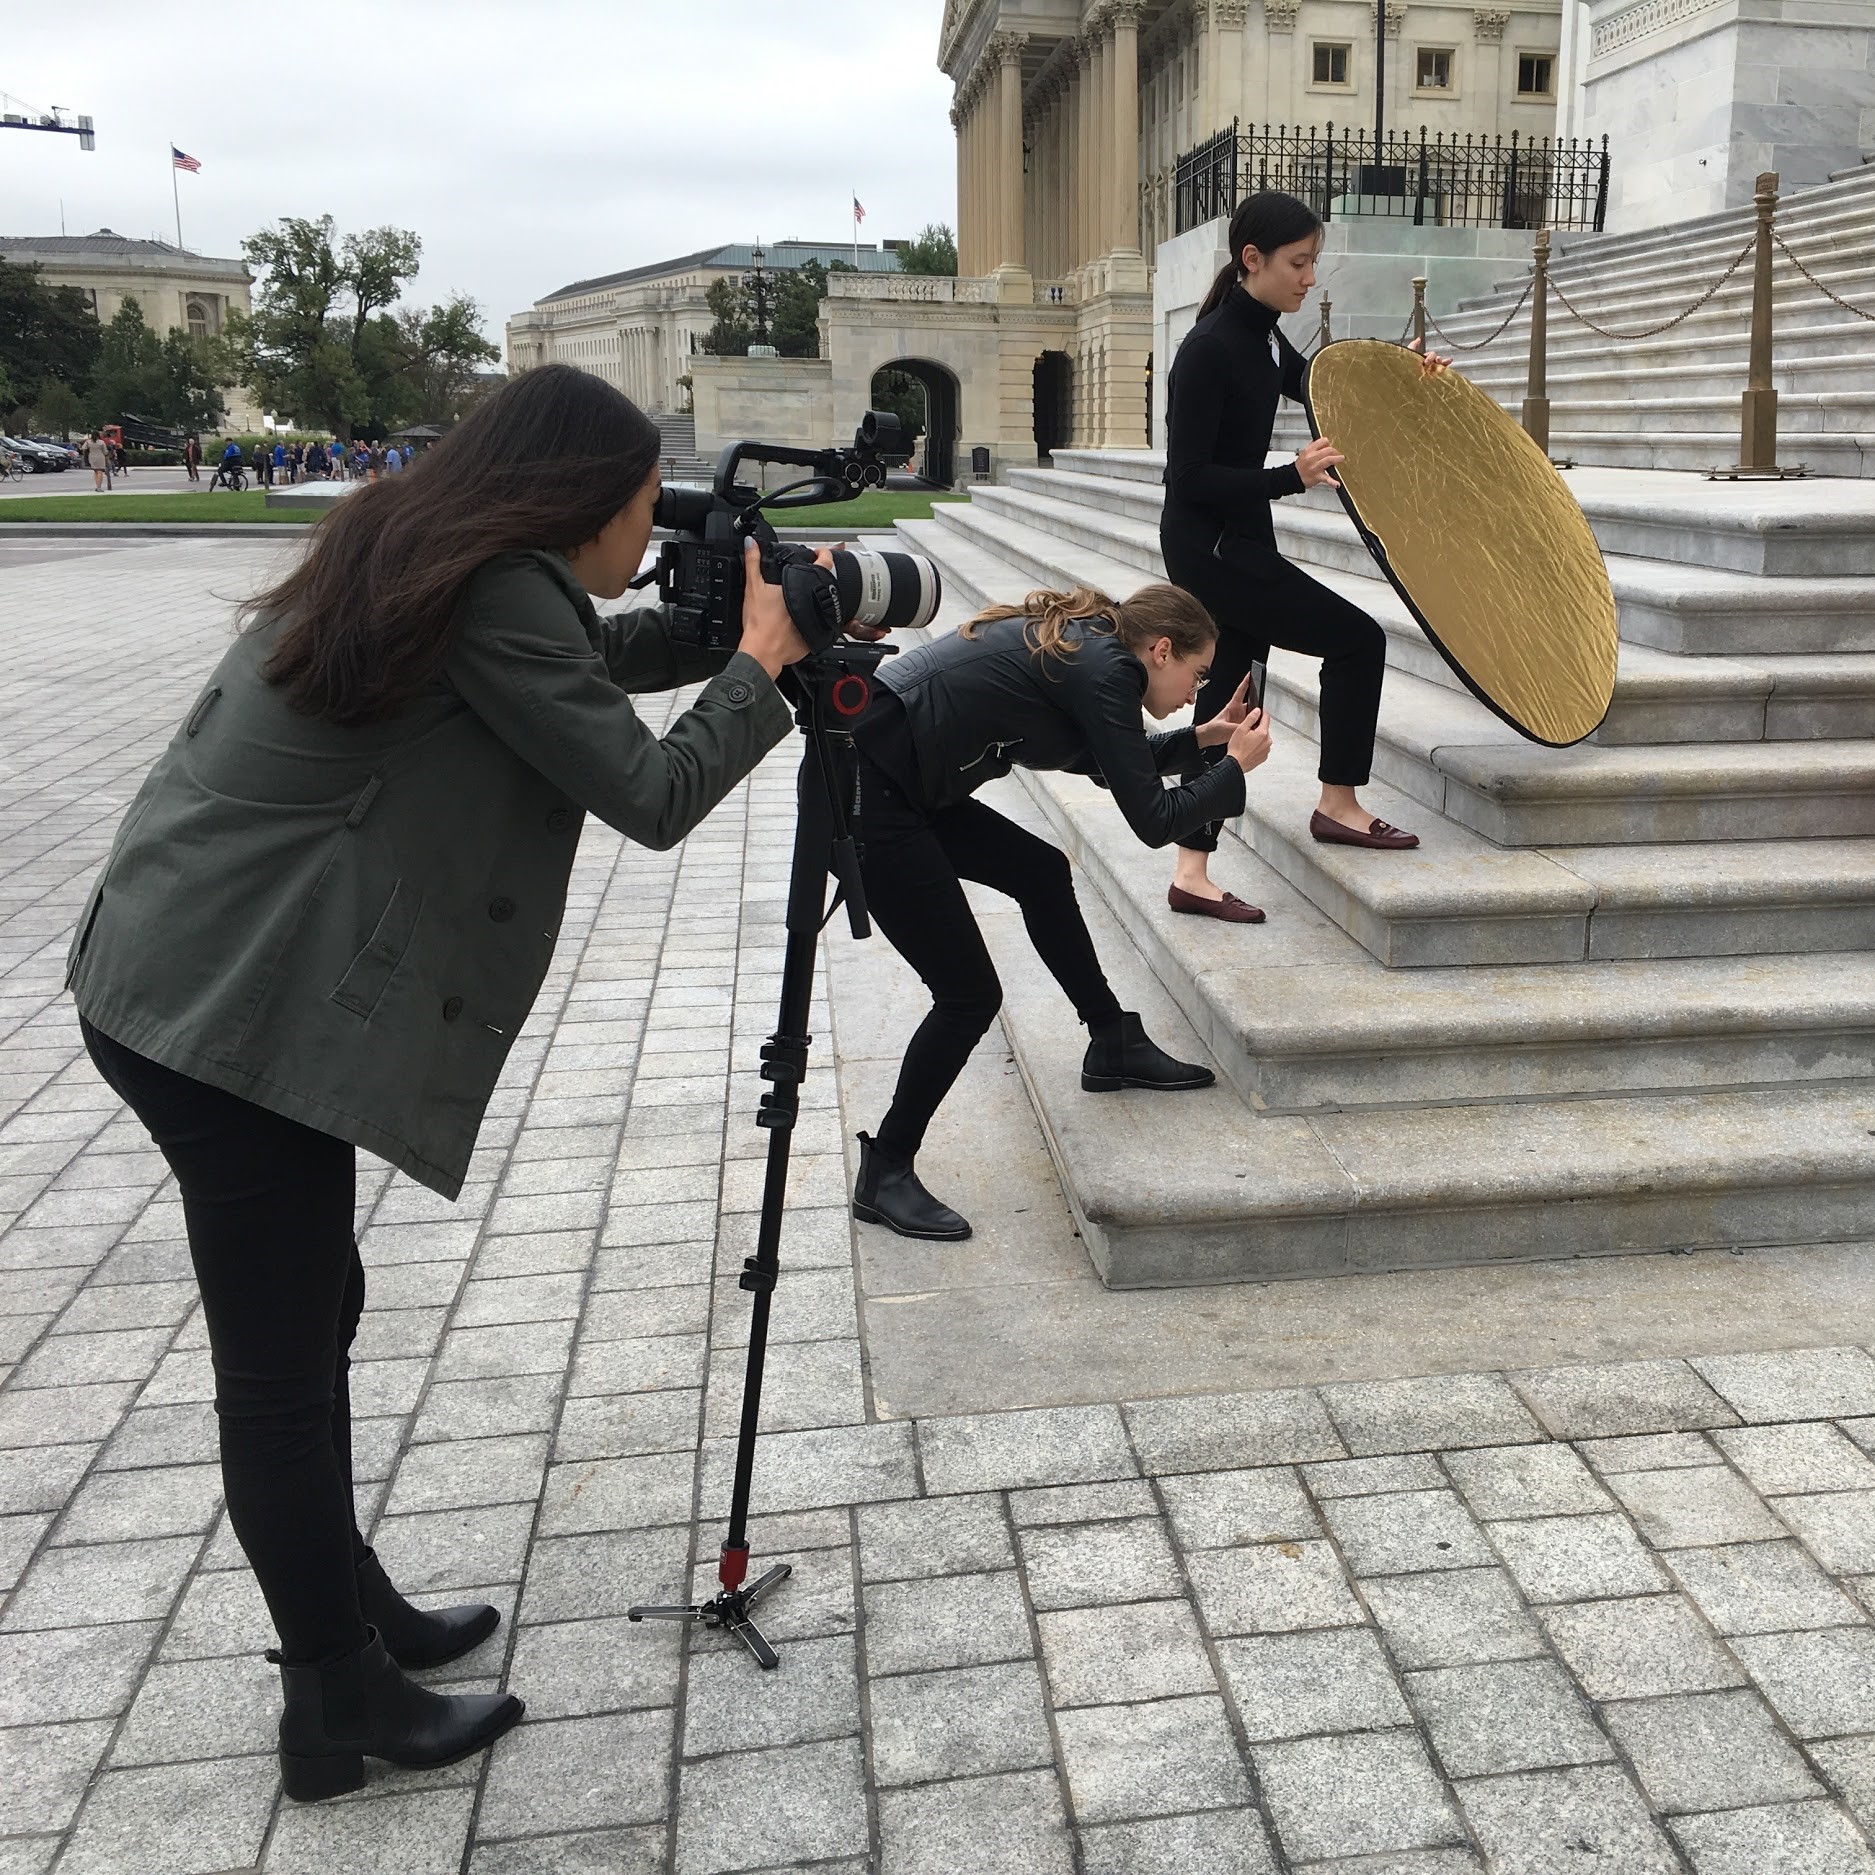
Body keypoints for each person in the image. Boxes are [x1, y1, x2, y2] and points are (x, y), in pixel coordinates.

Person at [67, 363, 812, 1801]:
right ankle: (334, 1702)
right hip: (228, 1014)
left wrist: (712, 634)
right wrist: (762, 666)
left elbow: (564, 669)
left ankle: (357, 1615)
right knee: (280, 1371)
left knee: (311, 1313)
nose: (647, 533)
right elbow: (649, 796)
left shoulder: (427, 543)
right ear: (580, 502)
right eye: (646, 509)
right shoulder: (493, 588)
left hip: (176, 973)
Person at [849, 581, 1268, 1238]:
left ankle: (1111, 1040)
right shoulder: (1107, 670)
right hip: (865, 791)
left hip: (897, 773)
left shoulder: (1097, 651)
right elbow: (1155, 820)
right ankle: (887, 1168)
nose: (1194, 692)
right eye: (1197, 674)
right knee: (968, 995)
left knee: (1040, 871)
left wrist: (1207, 738)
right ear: (1161, 650)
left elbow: (1117, 764)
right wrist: (1234, 770)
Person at [1158, 191, 1446, 924]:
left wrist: (1402, 375)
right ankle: (1338, 802)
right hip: (1212, 547)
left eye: (1313, 261)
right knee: (1357, 639)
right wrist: (1292, 474)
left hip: (1240, 539)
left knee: (1232, 697)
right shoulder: (1209, 349)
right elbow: (1187, 478)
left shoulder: (1261, 336)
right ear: (1251, 261)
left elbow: (1318, 384)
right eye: (1298, 262)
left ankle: (1192, 870)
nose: (1309, 277)